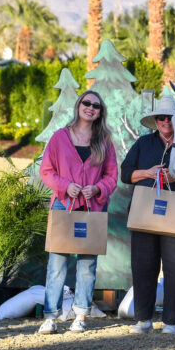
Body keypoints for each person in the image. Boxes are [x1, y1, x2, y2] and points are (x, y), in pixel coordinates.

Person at [38, 90, 118, 334]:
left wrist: (97, 188)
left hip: (92, 207)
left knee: (87, 264)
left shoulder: (104, 141)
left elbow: (112, 176)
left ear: (99, 112)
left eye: (96, 105)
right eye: (87, 103)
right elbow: (46, 170)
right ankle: (51, 317)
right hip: (63, 205)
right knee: (57, 263)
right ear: (78, 105)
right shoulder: (59, 138)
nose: (91, 107)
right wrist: (65, 186)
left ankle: (80, 316)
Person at [121, 96, 175, 335]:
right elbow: (126, 174)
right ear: (156, 121)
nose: (166, 121)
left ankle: (171, 321)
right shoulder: (144, 143)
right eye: (161, 117)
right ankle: (143, 319)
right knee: (143, 265)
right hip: (145, 212)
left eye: (170, 117)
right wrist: (148, 172)